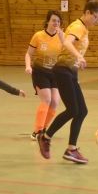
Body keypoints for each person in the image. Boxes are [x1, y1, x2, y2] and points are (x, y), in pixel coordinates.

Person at [36, 0, 98, 164]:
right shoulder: (77, 26)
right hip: (62, 70)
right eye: (95, 17)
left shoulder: (84, 29)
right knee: (73, 110)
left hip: (70, 72)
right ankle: (45, 137)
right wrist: (79, 56)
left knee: (82, 111)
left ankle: (71, 149)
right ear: (87, 12)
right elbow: (66, 43)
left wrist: (76, 74)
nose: (97, 21)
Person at [25, 10, 64, 140]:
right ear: (47, 21)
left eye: (58, 21)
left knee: (55, 102)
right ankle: (37, 131)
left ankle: (44, 128)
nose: (56, 23)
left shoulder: (61, 37)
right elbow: (29, 53)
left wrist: (63, 38)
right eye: (54, 20)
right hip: (40, 71)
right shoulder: (38, 36)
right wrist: (28, 66)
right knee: (46, 99)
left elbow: (66, 54)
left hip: (55, 73)